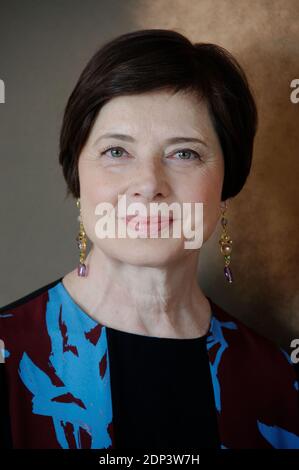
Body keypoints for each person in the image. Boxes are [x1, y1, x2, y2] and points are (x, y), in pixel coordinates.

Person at [1, 29, 299, 450]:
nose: (148, 184)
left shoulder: (281, 384)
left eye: (184, 153)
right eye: (117, 152)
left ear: (225, 184)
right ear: (78, 174)